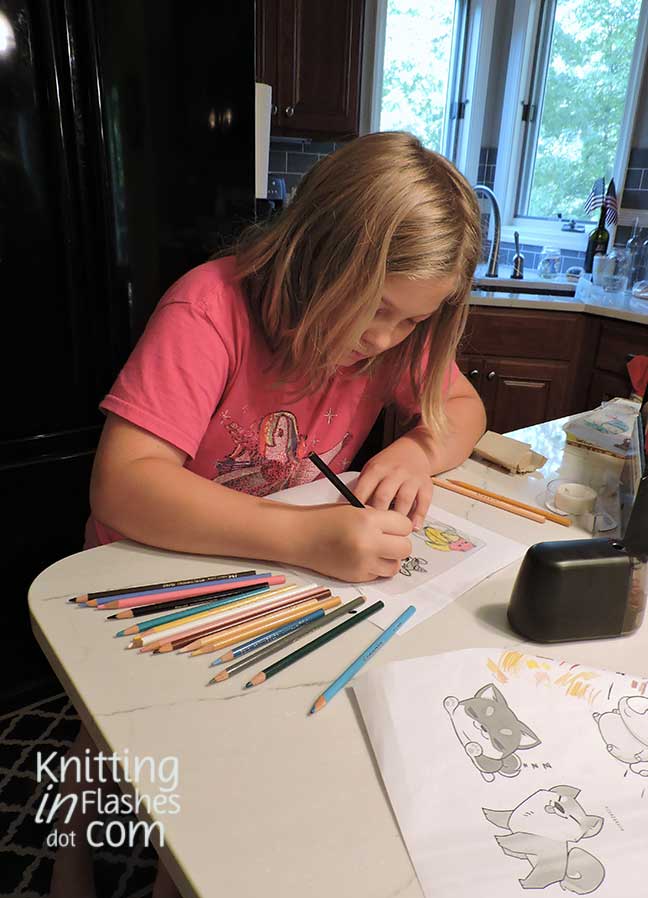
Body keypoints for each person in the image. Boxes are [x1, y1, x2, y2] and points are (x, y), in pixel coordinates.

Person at [50, 131, 486, 898]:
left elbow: (463, 406)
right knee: (106, 731)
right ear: (316, 254)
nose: (384, 340)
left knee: (213, 755)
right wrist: (304, 536)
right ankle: (69, 847)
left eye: (411, 324)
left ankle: (174, 868)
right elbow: (122, 485)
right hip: (142, 569)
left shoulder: (390, 334)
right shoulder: (209, 308)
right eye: (376, 311)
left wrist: (418, 449)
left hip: (267, 570)